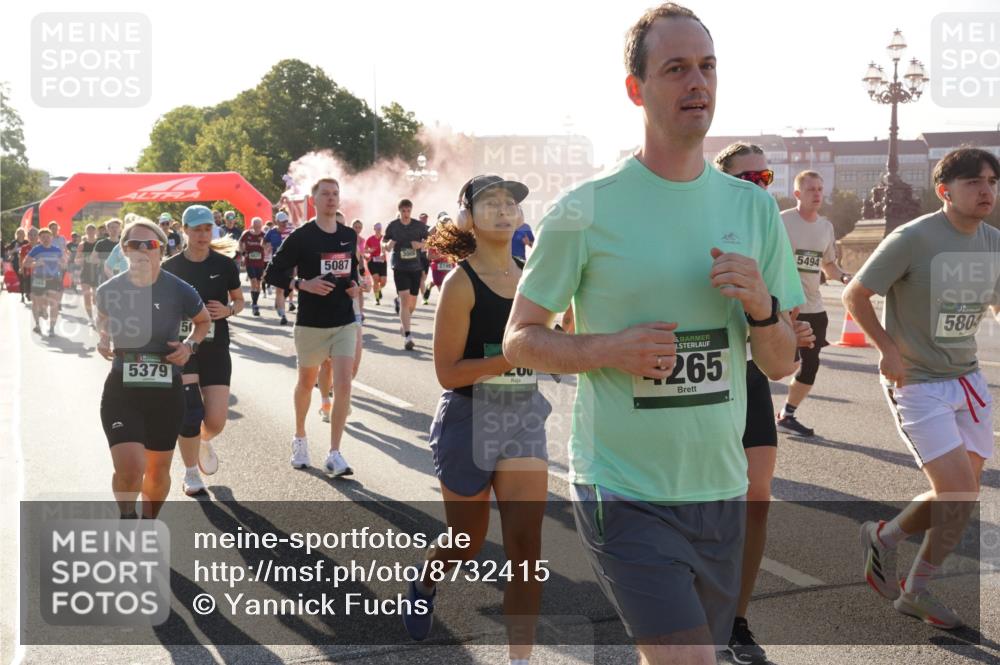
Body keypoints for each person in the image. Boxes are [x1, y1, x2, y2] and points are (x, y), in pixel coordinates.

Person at [502, 6, 804, 664]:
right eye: (676, 69)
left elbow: (781, 362)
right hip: (623, 487)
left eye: (707, 66)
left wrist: (762, 308)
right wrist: (610, 349)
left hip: (720, 488)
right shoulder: (584, 208)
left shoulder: (754, 208)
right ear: (635, 89)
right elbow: (519, 338)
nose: (698, 82)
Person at [845, 147, 1000, 630]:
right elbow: (855, 294)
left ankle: (906, 576)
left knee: (961, 497)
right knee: (956, 491)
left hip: (968, 381)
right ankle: (891, 548)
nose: (987, 191)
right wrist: (887, 349)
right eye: (974, 182)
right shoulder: (912, 238)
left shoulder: (993, 243)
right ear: (944, 191)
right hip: (917, 382)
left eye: (992, 182)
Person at [402, 177, 550, 664]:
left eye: (510, 203)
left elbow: (555, 339)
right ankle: (426, 579)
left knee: (526, 549)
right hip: (470, 416)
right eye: (491, 203)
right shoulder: (459, 284)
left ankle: (519, 660)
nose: (504, 209)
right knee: (465, 541)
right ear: (467, 217)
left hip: (523, 415)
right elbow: (448, 373)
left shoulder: (534, 278)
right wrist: (512, 356)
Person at [714, 141, 815, 664]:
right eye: (748, 178)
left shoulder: (768, 228)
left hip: (752, 376)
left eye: (766, 177)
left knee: (756, 497)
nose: (760, 186)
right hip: (703, 381)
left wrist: (791, 332)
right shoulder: (700, 221)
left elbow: (786, 320)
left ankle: (737, 620)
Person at [95, 216, 211, 518]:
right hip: (122, 391)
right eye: (135, 244)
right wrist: (103, 337)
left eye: (151, 244)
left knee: (157, 474)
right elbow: (102, 318)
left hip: (165, 392)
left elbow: (203, 322)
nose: (143, 250)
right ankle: (127, 519)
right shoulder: (109, 290)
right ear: (125, 250)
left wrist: (189, 346)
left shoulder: (179, 289)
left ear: (161, 248)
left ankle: (147, 523)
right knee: (130, 469)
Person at [263, 178, 360, 476]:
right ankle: (300, 438)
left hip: (344, 321)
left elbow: (351, 270)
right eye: (325, 194)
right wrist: (301, 284)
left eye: (335, 194)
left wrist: (354, 286)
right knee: (306, 383)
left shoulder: (348, 235)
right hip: (311, 324)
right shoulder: (301, 237)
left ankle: (334, 452)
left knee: (343, 384)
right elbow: (272, 273)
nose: (331, 198)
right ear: (313, 200)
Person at [162, 204, 244, 496]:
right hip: (183, 348)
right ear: (184, 230)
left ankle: (201, 441)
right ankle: (191, 473)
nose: (203, 235)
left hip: (215, 347)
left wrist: (228, 310)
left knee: (216, 421)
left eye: (207, 229)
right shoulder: (169, 268)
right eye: (196, 229)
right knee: (189, 414)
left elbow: (239, 300)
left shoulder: (224, 265)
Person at [776, 170, 852, 437]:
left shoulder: (825, 227)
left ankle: (787, 415)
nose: (817, 194)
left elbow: (828, 265)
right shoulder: (781, 221)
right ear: (797, 194)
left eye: (820, 189)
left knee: (810, 366)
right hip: (783, 307)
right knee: (772, 364)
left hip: (813, 309)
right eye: (811, 189)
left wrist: (844, 277)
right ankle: (751, 412)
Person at [383, 198, 429, 350]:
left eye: (408, 211)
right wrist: (387, 245)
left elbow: (430, 241)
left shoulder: (418, 226)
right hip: (400, 267)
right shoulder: (393, 226)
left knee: (412, 304)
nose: (406, 214)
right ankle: (408, 336)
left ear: (411, 210)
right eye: (403, 211)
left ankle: (405, 323)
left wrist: (420, 245)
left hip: (415, 267)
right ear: (399, 211)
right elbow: (383, 242)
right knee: (404, 300)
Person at [24, 228, 68, 336]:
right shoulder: (36, 249)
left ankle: (52, 328)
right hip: (39, 279)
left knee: (54, 303)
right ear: (39, 238)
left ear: (51, 238)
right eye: (43, 237)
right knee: (37, 303)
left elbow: (64, 264)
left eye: (48, 237)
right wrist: (35, 264)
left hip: (53, 279)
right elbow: (25, 263)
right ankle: (37, 324)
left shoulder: (57, 250)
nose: (45, 239)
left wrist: (62, 263)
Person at [264, 211, 295, 324]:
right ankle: (283, 315)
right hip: (277, 264)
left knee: (289, 287)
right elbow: (264, 243)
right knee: (280, 289)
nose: (284, 224)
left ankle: (280, 303)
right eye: (282, 222)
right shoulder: (271, 232)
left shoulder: (291, 231)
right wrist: (267, 247)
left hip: (290, 264)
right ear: (276, 222)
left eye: (286, 221)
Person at [424, 211, 456, 303]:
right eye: (443, 222)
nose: (445, 224)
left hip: (450, 266)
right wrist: (442, 255)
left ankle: (429, 285)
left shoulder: (452, 236)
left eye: (447, 221)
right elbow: (429, 256)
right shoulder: (433, 237)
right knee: (444, 294)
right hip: (437, 267)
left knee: (451, 290)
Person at [240, 216, 268, 316]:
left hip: (260, 263)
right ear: (252, 225)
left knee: (258, 284)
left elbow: (268, 246)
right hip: (250, 262)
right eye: (256, 226)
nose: (257, 228)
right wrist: (243, 253)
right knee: (254, 281)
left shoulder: (264, 235)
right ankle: (255, 305)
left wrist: (265, 248)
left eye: (259, 226)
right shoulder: (246, 234)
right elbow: (240, 243)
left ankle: (255, 302)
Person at [76, 224, 102, 326]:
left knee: (95, 298)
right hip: (85, 272)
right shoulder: (82, 245)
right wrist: (83, 259)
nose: (90, 232)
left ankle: (97, 315)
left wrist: (98, 260)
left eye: (92, 230)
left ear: (95, 231)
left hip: (96, 272)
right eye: (88, 230)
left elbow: (103, 258)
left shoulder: (99, 244)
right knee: (86, 296)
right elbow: (77, 260)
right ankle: (90, 318)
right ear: (86, 232)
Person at [364, 222, 387, 305]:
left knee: (383, 282)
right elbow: (364, 250)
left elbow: (389, 248)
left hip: (382, 261)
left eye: (380, 228)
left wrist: (385, 251)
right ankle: (377, 299)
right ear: (374, 229)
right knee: (376, 279)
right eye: (377, 228)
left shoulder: (384, 238)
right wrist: (370, 251)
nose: (378, 230)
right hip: (372, 262)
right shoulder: (370, 239)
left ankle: (379, 289)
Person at [19, 227, 38, 305]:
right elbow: (21, 259)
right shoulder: (24, 247)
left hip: (39, 272)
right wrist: (21, 268)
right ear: (28, 236)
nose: (32, 237)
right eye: (30, 235)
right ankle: (28, 294)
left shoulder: (41, 247)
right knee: (28, 286)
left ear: (38, 236)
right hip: (28, 271)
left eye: (34, 235)